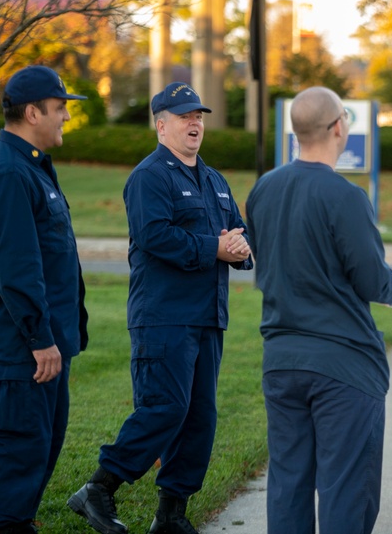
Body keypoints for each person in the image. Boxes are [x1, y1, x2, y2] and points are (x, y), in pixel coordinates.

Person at [68, 82, 253, 534]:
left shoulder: (213, 179)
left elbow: (238, 234)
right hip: (164, 316)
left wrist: (240, 247)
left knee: (199, 417)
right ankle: (98, 488)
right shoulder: (149, 176)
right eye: (185, 115)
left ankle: (170, 515)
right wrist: (216, 248)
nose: (195, 123)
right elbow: (155, 237)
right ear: (161, 124)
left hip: (209, 316)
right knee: (165, 407)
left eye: (200, 116)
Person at [244, 86, 392, 534]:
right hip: (344, 365)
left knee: (288, 484)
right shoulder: (345, 197)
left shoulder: (264, 189)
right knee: (346, 489)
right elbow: (374, 282)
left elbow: (266, 262)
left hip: (281, 361)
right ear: (339, 127)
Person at [0, 65, 90, 534]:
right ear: (32, 111)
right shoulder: (7, 174)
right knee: (18, 450)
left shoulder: (33, 164)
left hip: (46, 348)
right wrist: (40, 338)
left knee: (41, 446)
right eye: (60, 108)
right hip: (24, 351)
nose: (65, 116)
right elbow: (17, 269)